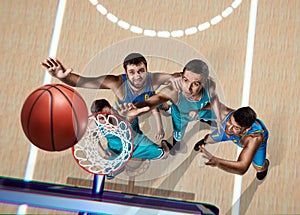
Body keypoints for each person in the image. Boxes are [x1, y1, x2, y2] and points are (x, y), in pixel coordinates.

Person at [41, 53, 180, 142]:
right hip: (128, 110)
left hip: (147, 102)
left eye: (141, 71)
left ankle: (166, 108)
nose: (137, 76)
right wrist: (64, 77)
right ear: (125, 73)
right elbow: (84, 82)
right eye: (132, 72)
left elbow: (178, 76)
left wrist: (182, 80)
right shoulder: (116, 83)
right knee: (132, 129)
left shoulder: (154, 79)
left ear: (146, 70)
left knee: (158, 101)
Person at [118, 59, 225, 154]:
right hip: (181, 116)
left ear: (204, 82)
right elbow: (155, 100)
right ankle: (173, 143)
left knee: (224, 117)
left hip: (200, 110)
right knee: (178, 138)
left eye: (195, 84)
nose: (188, 88)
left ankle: (203, 118)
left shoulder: (210, 85)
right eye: (185, 80)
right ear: (182, 77)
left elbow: (214, 98)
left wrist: (219, 119)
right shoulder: (174, 91)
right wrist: (136, 108)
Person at [90, 99, 170, 179]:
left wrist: (132, 116)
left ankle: (163, 143)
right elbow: (92, 136)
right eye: (102, 119)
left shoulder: (121, 113)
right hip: (116, 150)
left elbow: (129, 118)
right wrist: (103, 152)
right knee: (109, 174)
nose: (107, 119)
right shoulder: (95, 123)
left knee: (165, 154)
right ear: (96, 119)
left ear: (110, 108)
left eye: (108, 114)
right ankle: (122, 164)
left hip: (136, 142)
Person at [193, 106, 270, 180]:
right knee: (208, 139)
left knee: (259, 168)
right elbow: (211, 103)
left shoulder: (255, 138)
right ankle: (206, 136)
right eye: (230, 121)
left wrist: (217, 162)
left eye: (236, 127)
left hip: (256, 144)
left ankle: (265, 163)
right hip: (234, 135)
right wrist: (196, 110)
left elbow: (242, 167)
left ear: (246, 130)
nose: (229, 129)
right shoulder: (230, 114)